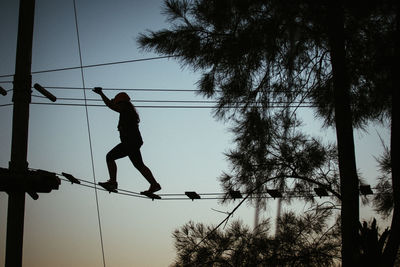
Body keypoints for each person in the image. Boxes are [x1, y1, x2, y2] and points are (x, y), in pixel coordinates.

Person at [93, 87, 161, 194]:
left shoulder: (125, 109)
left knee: (110, 157)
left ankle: (113, 182)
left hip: (129, 143)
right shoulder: (128, 110)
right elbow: (113, 105)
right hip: (133, 143)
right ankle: (154, 184)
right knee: (139, 165)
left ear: (122, 103)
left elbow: (111, 105)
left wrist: (101, 94)